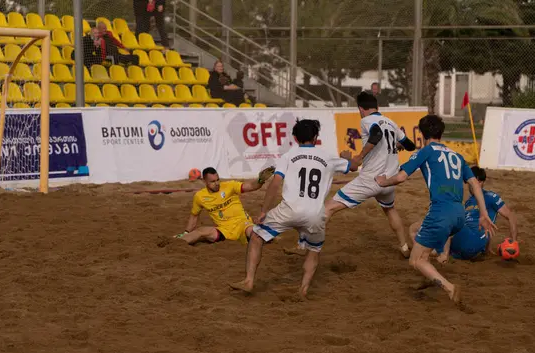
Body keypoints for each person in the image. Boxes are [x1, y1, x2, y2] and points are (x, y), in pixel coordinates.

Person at [229, 119, 360, 299]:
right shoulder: (328, 157)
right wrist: (346, 158)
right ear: (315, 137)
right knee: (314, 250)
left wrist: (263, 210)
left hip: (289, 210)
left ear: (295, 138)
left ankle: (249, 281)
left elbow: (275, 183)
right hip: (315, 213)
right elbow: (353, 166)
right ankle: (303, 290)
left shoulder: (288, 156)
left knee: (257, 236)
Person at [375, 115, 497, 305]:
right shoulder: (457, 156)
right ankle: (429, 273)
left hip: (441, 213)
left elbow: (400, 178)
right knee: (416, 229)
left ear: (422, 134)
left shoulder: (426, 151)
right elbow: (474, 184)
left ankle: (449, 288)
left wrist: (383, 181)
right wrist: (484, 214)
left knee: (415, 260)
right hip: (459, 215)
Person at [324, 91, 416, 257]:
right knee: (390, 209)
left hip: (370, 180)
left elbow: (377, 134)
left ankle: (306, 246)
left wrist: (358, 157)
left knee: (328, 208)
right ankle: (404, 247)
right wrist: (396, 144)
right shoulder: (391, 122)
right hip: (388, 181)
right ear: (377, 107)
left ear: (360, 108)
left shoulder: (366, 120)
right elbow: (410, 146)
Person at [421, 166, 517, 262]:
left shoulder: (490, 196)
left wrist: (514, 242)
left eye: (471, 182)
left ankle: (443, 255)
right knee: (426, 235)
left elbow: (510, 216)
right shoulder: (468, 202)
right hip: (465, 245)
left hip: (473, 240)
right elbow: (487, 225)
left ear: (480, 182)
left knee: (448, 219)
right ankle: (433, 252)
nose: (469, 185)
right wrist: (487, 249)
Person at [175, 166, 275, 245]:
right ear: (204, 181)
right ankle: (177, 243)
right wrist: (186, 232)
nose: (217, 183)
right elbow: (194, 216)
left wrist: (260, 180)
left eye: (218, 180)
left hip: (243, 225)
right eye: (213, 181)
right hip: (224, 230)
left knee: (254, 232)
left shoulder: (230, 186)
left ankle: (268, 235)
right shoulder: (200, 196)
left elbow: (251, 186)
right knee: (200, 231)